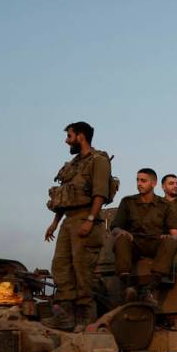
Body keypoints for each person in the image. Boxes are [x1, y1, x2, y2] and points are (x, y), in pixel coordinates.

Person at [43, 121, 112, 330]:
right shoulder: (72, 165)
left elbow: (100, 193)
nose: (67, 141)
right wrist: (55, 223)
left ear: (80, 136)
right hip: (68, 221)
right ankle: (65, 316)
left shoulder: (98, 160)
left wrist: (90, 220)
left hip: (85, 218)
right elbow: (65, 196)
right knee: (61, 267)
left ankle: (85, 319)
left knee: (83, 271)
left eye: (69, 136)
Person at [110, 168, 177, 301]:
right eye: (137, 180)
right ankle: (127, 286)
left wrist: (170, 237)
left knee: (171, 242)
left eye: (143, 180)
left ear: (153, 183)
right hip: (134, 244)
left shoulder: (164, 205)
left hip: (155, 244)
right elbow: (114, 227)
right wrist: (121, 232)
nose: (139, 183)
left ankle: (150, 288)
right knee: (120, 238)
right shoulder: (127, 202)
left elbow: (176, 234)